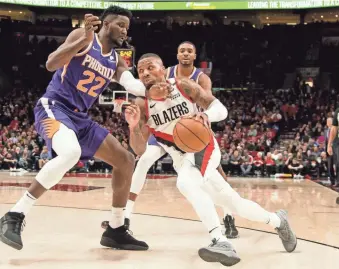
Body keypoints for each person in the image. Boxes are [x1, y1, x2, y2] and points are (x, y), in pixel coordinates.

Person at [124, 53, 297, 266]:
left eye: (150, 67)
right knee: (235, 203)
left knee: (185, 183)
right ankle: (279, 221)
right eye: (141, 71)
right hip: (182, 159)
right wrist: (133, 128)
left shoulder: (183, 86)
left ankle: (219, 240)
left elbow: (220, 109)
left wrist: (206, 115)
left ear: (164, 69)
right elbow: (139, 149)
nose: (146, 73)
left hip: (203, 146)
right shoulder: (142, 104)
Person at [0, 6, 148, 251]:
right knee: (70, 153)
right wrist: (82, 41)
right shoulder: (82, 38)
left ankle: (116, 228)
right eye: (120, 25)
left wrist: (157, 86)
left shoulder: (116, 59)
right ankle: (15, 216)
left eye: (127, 28)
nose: (124, 31)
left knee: (125, 160)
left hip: (80, 118)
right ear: (106, 23)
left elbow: (132, 84)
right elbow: (51, 63)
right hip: (54, 107)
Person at [102, 41, 238, 238]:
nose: (185, 54)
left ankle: (228, 216)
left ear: (194, 56)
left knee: (216, 172)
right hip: (164, 129)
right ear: (175, 56)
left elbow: (208, 103)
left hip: (190, 128)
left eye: (189, 51)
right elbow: (141, 88)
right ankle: (125, 216)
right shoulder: (164, 72)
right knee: (143, 161)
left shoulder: (200, 78)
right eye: (181, 50)